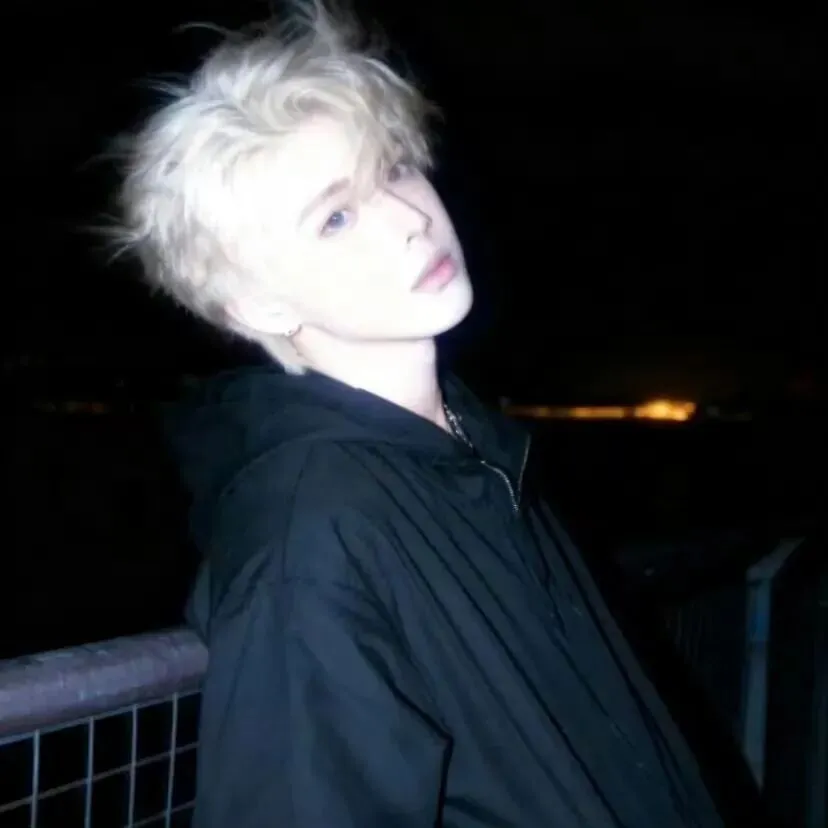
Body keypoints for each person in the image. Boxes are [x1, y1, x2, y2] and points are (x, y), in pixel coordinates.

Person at [116, 3, 731, 825]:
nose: (410, 220)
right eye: (336, 217)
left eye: (396, 168)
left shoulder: (470, 448)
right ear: (256, 303)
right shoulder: (315, 534)